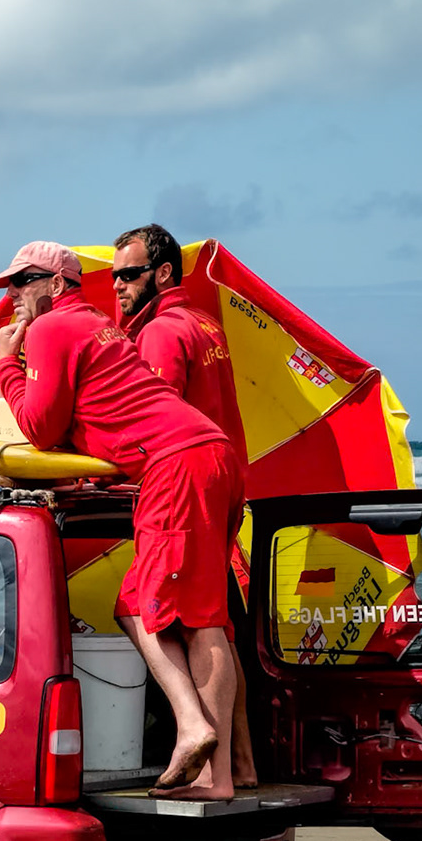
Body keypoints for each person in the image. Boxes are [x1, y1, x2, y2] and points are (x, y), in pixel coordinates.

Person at [0, 241, 247, 801]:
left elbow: (42, 428)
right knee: (205, 616)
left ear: (55, 285)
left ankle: (193, 729)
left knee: (141, 609)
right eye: (8, 285)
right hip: (208, 457)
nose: (11, 296)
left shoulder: (51, 330)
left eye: (21, 282)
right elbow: (102, 405)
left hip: (175, 466)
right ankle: (224, 773)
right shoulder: (100, 325)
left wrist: (7, 365)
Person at [113, 223, 259, 789]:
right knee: (212, 617)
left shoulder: (161, 333)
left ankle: (209, 766)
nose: (118, 287)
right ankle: (240, 764)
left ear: (164, 273)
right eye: (116, 276)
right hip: (222, 479)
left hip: (182, 479)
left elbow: (153, 417)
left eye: (129, 274)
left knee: (160, 612)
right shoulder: (204, 324)